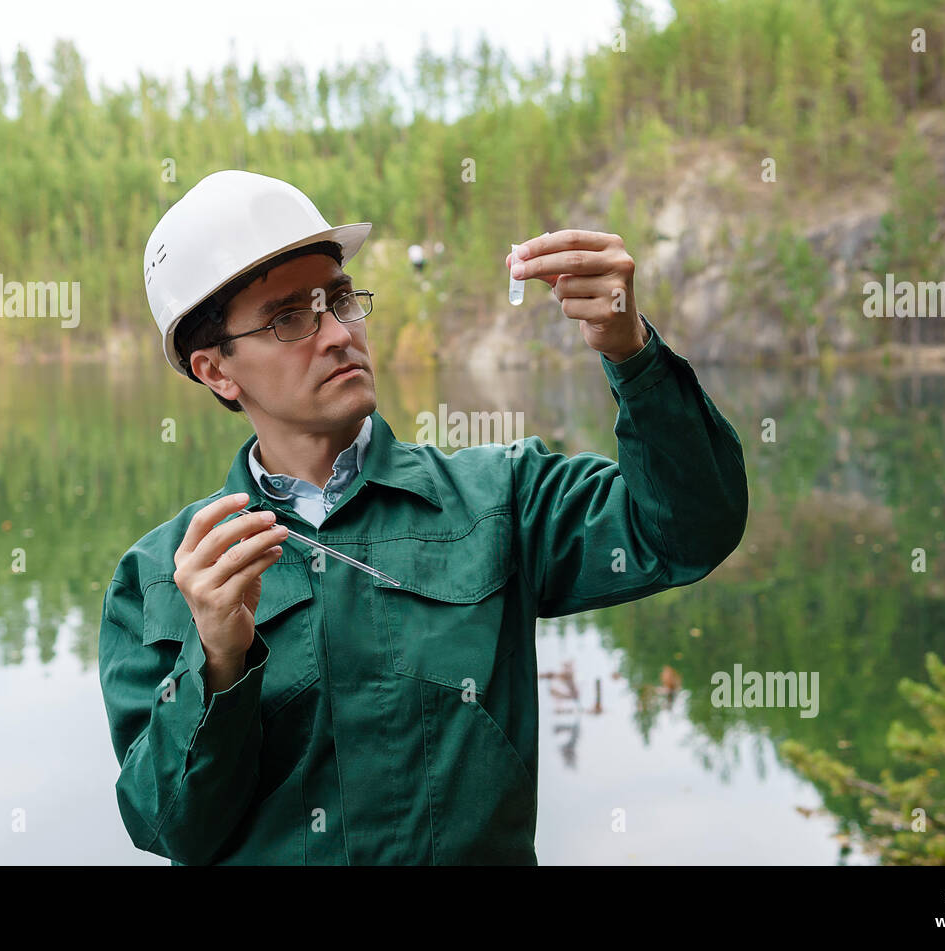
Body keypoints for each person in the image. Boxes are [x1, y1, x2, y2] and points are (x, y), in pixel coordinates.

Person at [98, 170, 749, 865]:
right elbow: (172, 828)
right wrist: (220, 662)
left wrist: (632, 352)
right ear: (217, 371)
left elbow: (689, 529)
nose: (337, 335)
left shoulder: (504, 497)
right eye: (290, 318)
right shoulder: (164, 581)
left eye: (340, 300)